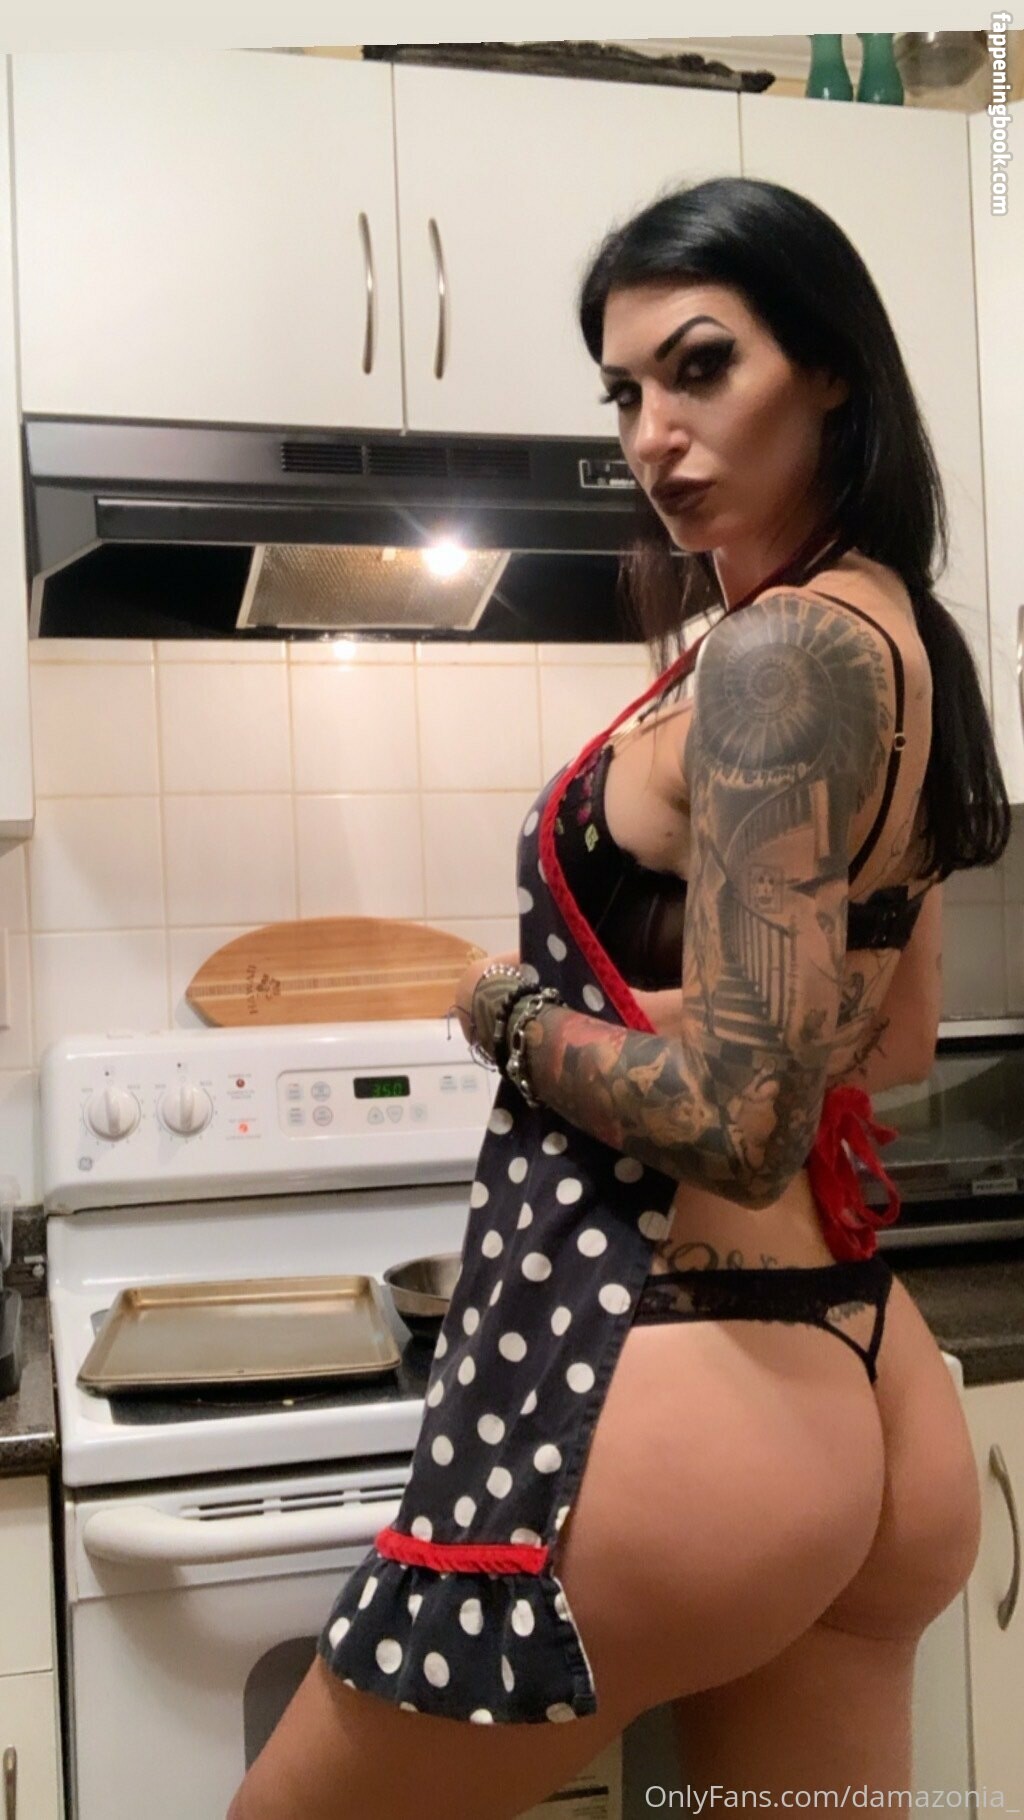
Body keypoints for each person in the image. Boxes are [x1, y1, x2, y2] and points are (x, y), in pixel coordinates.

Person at [227, 176, 1009, 1820]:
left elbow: (740, 1119)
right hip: (868, 1382)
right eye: (626, 391)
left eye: (701, 367)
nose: (655, 433)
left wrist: (505, 1016)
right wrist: (676, 1027)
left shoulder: (779, 657)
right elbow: (896, 1038)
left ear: (832, 369)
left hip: (689, 1388)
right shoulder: (899, 633)